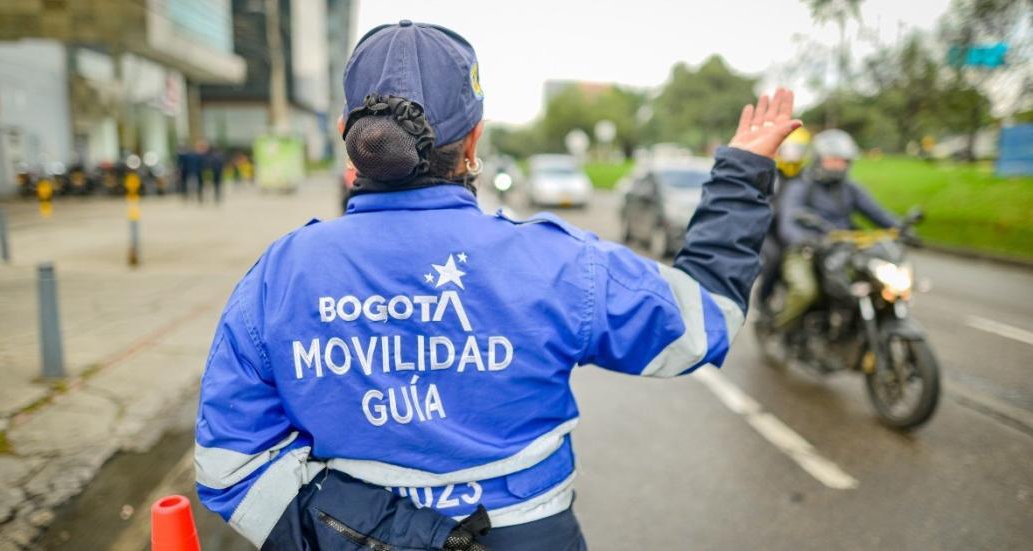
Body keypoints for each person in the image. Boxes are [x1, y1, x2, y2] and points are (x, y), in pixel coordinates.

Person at [194, 20, 801, 550]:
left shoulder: (281, 273)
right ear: (475, 139)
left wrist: (379, 532)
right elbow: (703, 320)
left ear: (348, 135)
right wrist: (741, 175)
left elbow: (227, 467)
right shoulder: (554, 263)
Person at [774, 129, 899, 328]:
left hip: (842, 250)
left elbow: (876, 212)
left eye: (842, 161)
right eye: (832, 160)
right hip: (806, 249)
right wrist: (802, 239)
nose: (837, 165)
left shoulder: (850, 188)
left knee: (872, 283)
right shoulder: (801, 185)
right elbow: (787, 220)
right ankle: (779, 329)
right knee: (805, 290)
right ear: (819, 159)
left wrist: (901, 228)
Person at [757, 126, 811, 312]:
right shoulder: (768, 174)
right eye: (789, 149)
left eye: (798, 150)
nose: (793, 155)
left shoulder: (807, 177)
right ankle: (762, 299)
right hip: (768, 232)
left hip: (794, 232)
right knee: (774, 259)